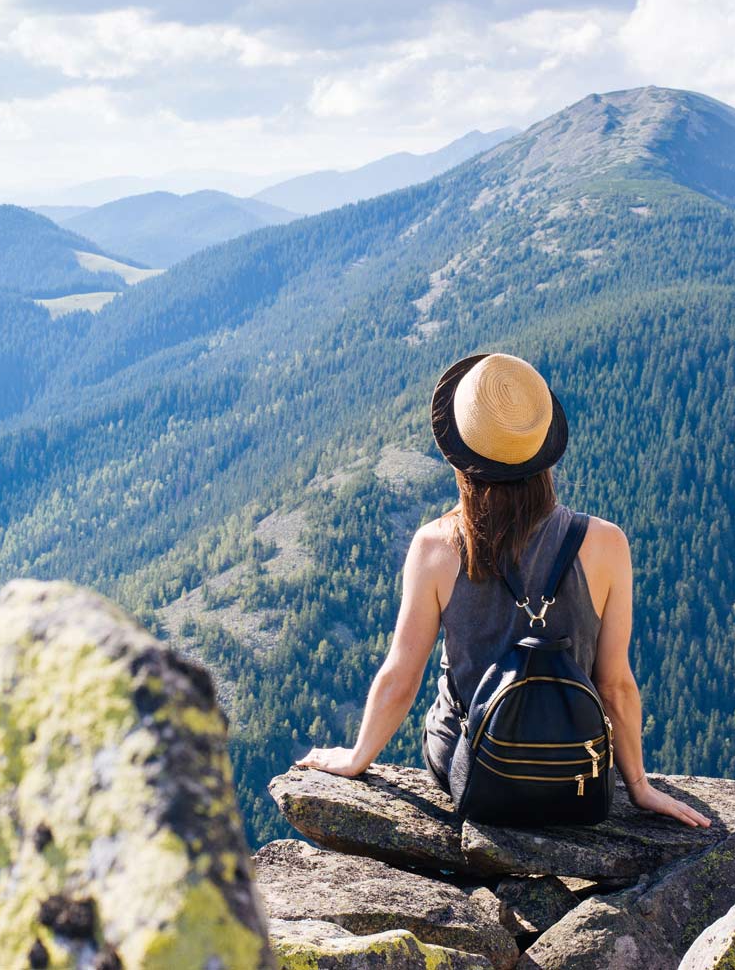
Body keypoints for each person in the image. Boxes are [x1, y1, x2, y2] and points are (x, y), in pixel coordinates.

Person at [296, 352, 710, 828]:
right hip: (574, 772)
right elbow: (614, 684)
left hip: (472, 768)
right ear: (544, 452)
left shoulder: (436, 547)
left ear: (461, 457)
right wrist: (637, 787)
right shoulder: (606, 544)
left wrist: (357, 757)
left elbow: (401, 677)